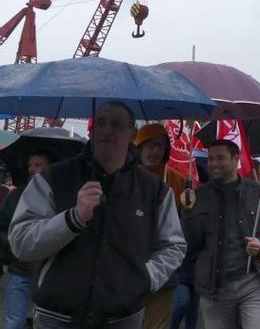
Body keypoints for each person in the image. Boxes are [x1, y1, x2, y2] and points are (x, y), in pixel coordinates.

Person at [9, 101, 186, 328]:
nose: (107, 130)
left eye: (116, 124)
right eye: (101, 122)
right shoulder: (54, 178)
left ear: (132, 133)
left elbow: (174, 245)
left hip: (123, 318)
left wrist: (145, 277)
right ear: (92, 130)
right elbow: (21, 242)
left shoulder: (155, 191)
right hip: (57, 317)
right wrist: (73, 218)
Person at [181, 140, 260, 329]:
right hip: (215, 287)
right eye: (211, 159)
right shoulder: (197, 196)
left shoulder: (259, 193)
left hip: (254, 283)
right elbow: (192, 244)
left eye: (220, 158)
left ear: (235, 159)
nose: (214, 163)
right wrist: (189, 212)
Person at [133, 123, 181, 329]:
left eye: (160, 146)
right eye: (149, 145)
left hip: (163, 275)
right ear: (139, 147)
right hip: (128, 273)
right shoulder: (125, 179)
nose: (154, 151)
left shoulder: (178, 182)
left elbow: (180, 235)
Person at [0, 149, 53, 329]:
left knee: (43, 324)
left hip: (48, 274)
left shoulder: (58, 195)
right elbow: (2, 226)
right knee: (13, 323)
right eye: (30, 165)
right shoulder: (16, 195)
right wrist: (14, 248)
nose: (31, 169)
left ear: (49, 168)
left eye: (37, 165)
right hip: (19, 270)